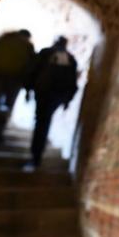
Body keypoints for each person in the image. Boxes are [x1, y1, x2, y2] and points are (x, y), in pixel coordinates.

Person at [24, 36, 79, 171]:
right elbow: (72, 82)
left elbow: (32, 71)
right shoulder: (70, 59)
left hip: (43, 92)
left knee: (41, 121)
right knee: (45, 121)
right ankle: (37, 154)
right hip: (57, 96)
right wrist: (67, 100)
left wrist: (28, 89)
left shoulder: (46, 53)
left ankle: (35, 155)